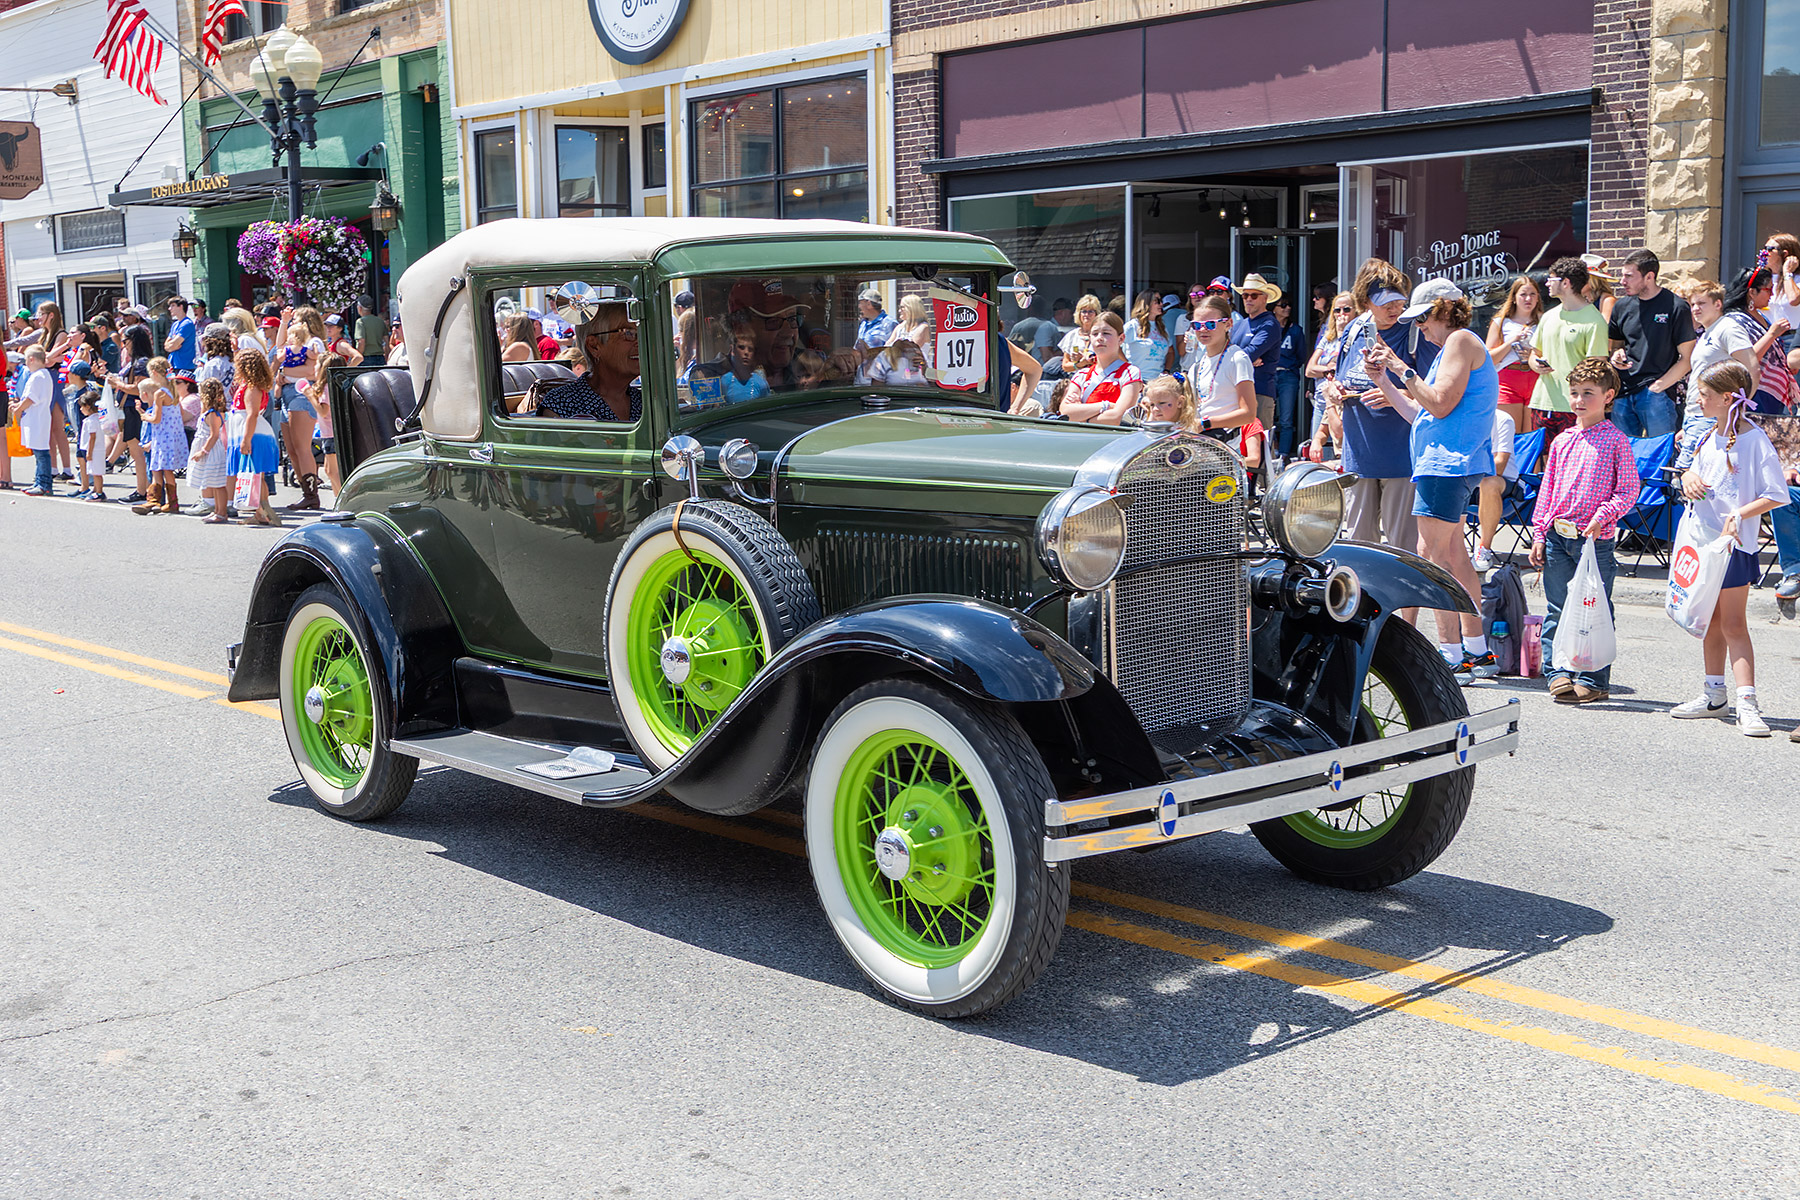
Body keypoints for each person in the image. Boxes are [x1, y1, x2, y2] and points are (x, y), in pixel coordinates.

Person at [1365, 278, 1498, 682]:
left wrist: (1399, 367)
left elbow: (1438, 405)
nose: (1419, 327)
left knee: (1431, 560)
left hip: (1447, 466)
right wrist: (1384, 380)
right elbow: (1420, 413)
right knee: (1454, 557)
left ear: (1442, 309)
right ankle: (1477, 653)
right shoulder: (1451, 349)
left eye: (1422, 318)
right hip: (1445, 464)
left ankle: (1453, 656)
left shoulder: (1460, 341)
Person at [1671, 361, 1791, 735]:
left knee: (1735, 624)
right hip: (1702, 541)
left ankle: (1748, 704)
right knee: (1710, 621)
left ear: (1726, 398)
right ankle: (1713, 693)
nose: (1698, 400)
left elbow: (1777, 494)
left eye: (1704, 394)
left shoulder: (1754, 440)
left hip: (1734, 546)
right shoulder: (1709, 435)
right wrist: (1689, 475)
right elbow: (1691, 470)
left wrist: (1738, 514)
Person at [1526, 358, 1639, 704]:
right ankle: (1558, 671)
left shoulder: (1616, 440)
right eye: (1574, 392)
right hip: (1560, 537)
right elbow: (1549, 489)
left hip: (1597, 540)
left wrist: (1605, 515)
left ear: (1608, 396)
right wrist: (1540, 532)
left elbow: (1629, 489)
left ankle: (1593, 677)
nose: (1578, 400)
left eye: (1587, 393)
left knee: (1595, 607)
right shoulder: (1562, 441)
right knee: (1557, 606)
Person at [1325, 259, 1437, 549]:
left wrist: (1397, 396)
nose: (1394, 309)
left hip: (1401, 458)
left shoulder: (1415, 333)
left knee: (1402, 547)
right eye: (1385, 303)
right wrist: (1335, 391)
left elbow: (1435, 395)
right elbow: (1339, 377)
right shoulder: (1352, 330)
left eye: (1399, 302)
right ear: (1365, 302)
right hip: (1358, 456)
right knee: (1360, 545)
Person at [1606, 250, 1695, 438]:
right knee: (1624, 459)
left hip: (1656, 394)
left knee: (1660, 458)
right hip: (1623, 392)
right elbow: (1615, 347)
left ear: (1649, 276)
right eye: (1623, 275)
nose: (1623, 282)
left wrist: (1658, 388)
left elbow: (1687, 359)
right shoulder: (1621, 307)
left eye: (1629, 276)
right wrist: (1616, 356)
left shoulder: (1676, 307)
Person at [1528, 257, 1610, 443]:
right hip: (1542, 402)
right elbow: (1535, 353)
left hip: (1574, 406)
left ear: (1566, 283)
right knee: (1543, 463)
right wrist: (1535, 364)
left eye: (1552, 279)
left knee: (1574, 460)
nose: (1547, 283)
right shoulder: (1548, 316)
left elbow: (1596, 368)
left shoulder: (1594, 321)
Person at [539, 302, 642, 422]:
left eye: (641, 334)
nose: (640, 342)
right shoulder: (561, 403)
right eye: (629, 333)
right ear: (594, 346)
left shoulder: (646, 402)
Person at [1181, 293, 1256, 438]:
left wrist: (1205, 424)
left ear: (1228, 324)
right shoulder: (1196, 366)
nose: (1203, 330)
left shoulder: (1237, 359)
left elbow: (1248, 414)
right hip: (1198, 445)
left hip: (1225, 449)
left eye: (1210, 324)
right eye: (1197, 325)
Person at [1720, 267, 1794, 412]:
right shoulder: (1736, 321)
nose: (1772, 295)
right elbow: (1745, 360)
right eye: (1768, 290)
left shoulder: (1761, 316)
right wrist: (1771, 334)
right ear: (1752, 292)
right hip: (1755, 392)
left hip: (1771, 394)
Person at [1485, 275, 1543, 436]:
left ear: (1538, 298)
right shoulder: (1501, 321)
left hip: (1536, 378)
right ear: (1515, 298)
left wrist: (1532, 354)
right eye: (1523, 294)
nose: (1528, 299)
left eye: (1532, 294)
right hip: (1507, 380)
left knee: (1532, 437)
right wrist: (1512, 342)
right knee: (1508, 435)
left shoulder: (1544, 321)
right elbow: (1488, 358)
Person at [1060, 313, 1141, 425]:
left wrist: (1082, 417)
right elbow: (1065, 412)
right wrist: (1106, 406)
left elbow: (1120, 417)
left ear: (1121, 338)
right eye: (1095, 334)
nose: (1100, 338)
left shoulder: (1130, 373)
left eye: (1106, 333)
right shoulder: (1082, 375)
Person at [1230, 273, 1282, 438]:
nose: (1248, 299)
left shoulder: (1270, 324)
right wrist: (1245, 360)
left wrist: (1242, 359)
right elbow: (1226, 353)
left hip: (1259, 393)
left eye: (1253, 295)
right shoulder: (1240, 324)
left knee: (1259, 447)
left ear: (1265, 298)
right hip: (1235, 392)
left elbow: (1249, 353)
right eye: (1245, 295)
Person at [132, 358, 184, 515]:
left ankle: (153, 500)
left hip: (162, 437)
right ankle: (172, 502)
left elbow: (156, 418)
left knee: (156, 468)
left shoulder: (159, 393)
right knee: (167, 471)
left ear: (154, 373)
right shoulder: (172, 391)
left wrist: (145, 417)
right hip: (171, 436)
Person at [1305, 291, 1355, 453]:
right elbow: (1310, 369)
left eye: (1346, 310)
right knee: (1317, 445)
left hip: (1341, 401)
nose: (1341, 314)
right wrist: (1329, 369)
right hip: (1322, 400)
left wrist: (1343, 332)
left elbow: (1345, 367)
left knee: (1341, 445)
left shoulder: (1355, 338)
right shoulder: (1327, 338)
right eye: (1337, 310)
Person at [1471, 405, 1519, 571]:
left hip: (1504, 482)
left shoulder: (1502, 419)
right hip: (1468, 481)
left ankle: (1484, 548)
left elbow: (1499, 465)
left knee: (1488, 482)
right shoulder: (1459, 417)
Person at [1271, 294, 1309, 459]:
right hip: (1270, 375)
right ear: (1273, 308)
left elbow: (1301, 356)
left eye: (1289, 305)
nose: (1287, 308)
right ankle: (1270, 451)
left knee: (1286, 419)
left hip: (1288, 375)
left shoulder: (1295, 330)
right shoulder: (1268, 328)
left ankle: (1284, 455)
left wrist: (1291, 367)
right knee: (1266, 417)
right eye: (1283, 305)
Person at [189, 378, 231, 522]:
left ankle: (221, 512)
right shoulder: (208, 412)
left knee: (218, 484)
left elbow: (214, 435)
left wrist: (203, 451)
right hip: (209, 449)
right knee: (213, 483)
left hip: (213, 451)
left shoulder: (213, 414)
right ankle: (217, 510)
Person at [16, 345, 55, 496]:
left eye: (26, 360)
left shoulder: (38, 376)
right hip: (38, 417)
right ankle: (39, 481)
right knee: (39, 451)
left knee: (41, 452)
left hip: (37, 418)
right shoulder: (42, 375)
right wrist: (19, 405)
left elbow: (31, 398)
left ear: (31, 359)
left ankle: (44, 484)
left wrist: (19, 409)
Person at [1120, 291, 1174, 380]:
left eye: (1161, 300)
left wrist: (1166, 370)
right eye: (1157, 301)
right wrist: (1126, 365)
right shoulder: (1132, 326)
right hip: (1136, 380)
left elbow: (1171, 352)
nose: (1161, 304)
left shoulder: (1162, 328)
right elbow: (1115, 346)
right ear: (1146, 303)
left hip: (1157, 381)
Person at [75, 389, 107, 503]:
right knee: (94, 471)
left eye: (82, 406)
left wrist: (89, 452)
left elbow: (92, 437)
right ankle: (95, 490)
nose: (81, 409)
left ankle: (99, 492)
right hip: (96, 449)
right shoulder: (95, 419)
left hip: (94, 450)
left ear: (88, 406)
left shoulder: (91, 421)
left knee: (96, 472)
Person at [1058, 295, 1102, 375]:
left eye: (1091, 311)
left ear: (1097, 314)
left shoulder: (1101, 335)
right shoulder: (1072, 335)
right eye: (1084, 311)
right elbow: (1065, 365)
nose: (1087, 314)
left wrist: (1087, 360)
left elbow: (1109, 361)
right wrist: (1079, 364)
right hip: (1077, 380)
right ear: (1079, 314)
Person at [163, 297, 197, 373]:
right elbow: (166, 345)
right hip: (173, 365)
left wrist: (172, 346)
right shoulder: (175, 324)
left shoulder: (187, 324)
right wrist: (171, 346)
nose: (169, 308)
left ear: (181, 306)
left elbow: (174, 344)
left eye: (173, 305)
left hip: (185, 366)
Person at [1581, 255, 1618, 323]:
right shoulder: (1582, 300)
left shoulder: (1607, 301)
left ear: (1593, 280)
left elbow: (1605, 330)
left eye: (1581, 277)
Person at [895, 295, 933, 360]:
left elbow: (910, 350)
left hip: (917, 368)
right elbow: (887, 346)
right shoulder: (900, 327)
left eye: (902, 307)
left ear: (911, 308)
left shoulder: (923, 327)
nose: (899, 311)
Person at [354, 295, 388, 366]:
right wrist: (387, 358)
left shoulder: (360, 322)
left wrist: (358, 357)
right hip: (380, 358)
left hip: (366, 358)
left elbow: (361, 342)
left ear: (359, 308)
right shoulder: (380, 321)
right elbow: (387, 342)